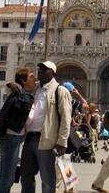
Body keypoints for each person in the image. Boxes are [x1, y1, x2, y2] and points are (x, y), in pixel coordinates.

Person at [24, 61, 73, 193]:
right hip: (29, 138)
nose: (40, 71)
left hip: (47, 140)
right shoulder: (34, 89)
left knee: (47, 180)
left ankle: (69, 186)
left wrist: (62, 142)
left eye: (44, 69)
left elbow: (66, 118)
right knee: (26, 176)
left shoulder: (60, 91)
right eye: (39, 68)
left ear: (53, 73)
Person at [0, 67, 36, 193]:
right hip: (10, 137)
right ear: (23, 81)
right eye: (31, 77)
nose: (34, 79)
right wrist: (10, 84)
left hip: (12, 138)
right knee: (8, 177)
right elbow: (27, 118)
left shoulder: (23, 91)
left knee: (4, 176)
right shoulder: (18, 93)